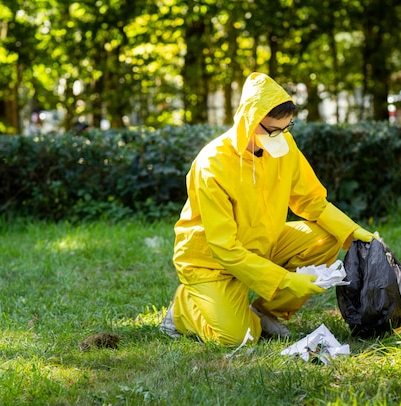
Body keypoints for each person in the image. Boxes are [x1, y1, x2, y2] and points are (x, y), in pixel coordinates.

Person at [160, 72, 377, 346]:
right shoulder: (212, 165)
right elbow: (224, 248)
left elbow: (311, 200)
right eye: (274, 130)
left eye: (287, 128)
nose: (281, 136)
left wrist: (352, 231)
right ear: (249, 121)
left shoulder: (283, 144)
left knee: (328, 237)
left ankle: (266, 312)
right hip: (213, 263)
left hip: (265, 243)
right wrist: (285, 279)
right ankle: (184, 308)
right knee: (237, 339)